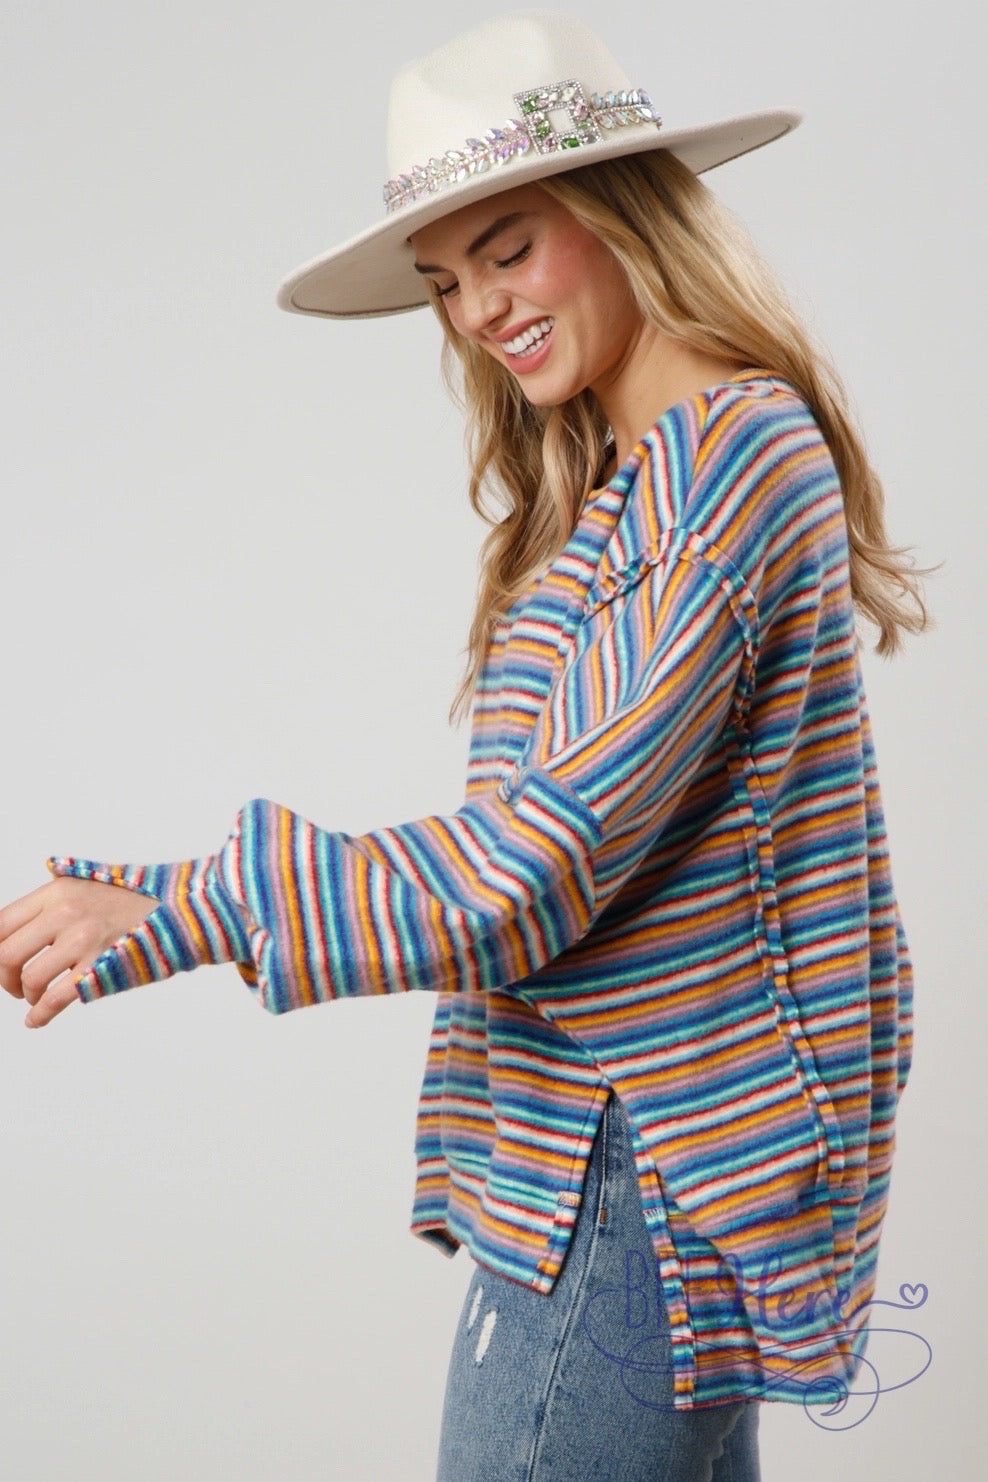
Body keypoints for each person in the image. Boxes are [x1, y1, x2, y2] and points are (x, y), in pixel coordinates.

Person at [0, 12, 927, 1481]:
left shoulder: (722, 467)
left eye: (508, 248)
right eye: (445, 282)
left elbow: (531, 867)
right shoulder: (637, 485)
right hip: (638, 1151)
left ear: (622, 214)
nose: (481, 310)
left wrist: (186, 905)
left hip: (635, 1163)